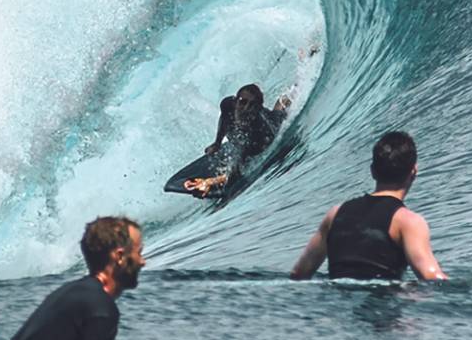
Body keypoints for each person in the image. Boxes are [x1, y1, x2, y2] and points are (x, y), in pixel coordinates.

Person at [289, 130, 445, 281]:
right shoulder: (408, 222)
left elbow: (299, 273)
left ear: (372, 171)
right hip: (380, 306)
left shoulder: (335, 214)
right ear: (413, 173)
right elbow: (432, 278)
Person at [0, 216, 145, 340]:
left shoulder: (71, 291)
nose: (143, 261)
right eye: (139, 253)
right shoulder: (101, 309)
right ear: (120, 256)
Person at [184, 83, 292, 197]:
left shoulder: (257, 134)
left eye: (252, 105)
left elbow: (236, 172)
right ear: (235, 102)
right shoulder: (227, 104)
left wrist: (208, 182)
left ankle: (287, 97)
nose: (246, 109)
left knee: (278, 115)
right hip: (256, 119)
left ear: (257, 109)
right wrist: (217, 143)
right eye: (242, 102)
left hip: (269, 127)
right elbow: (224, 120)